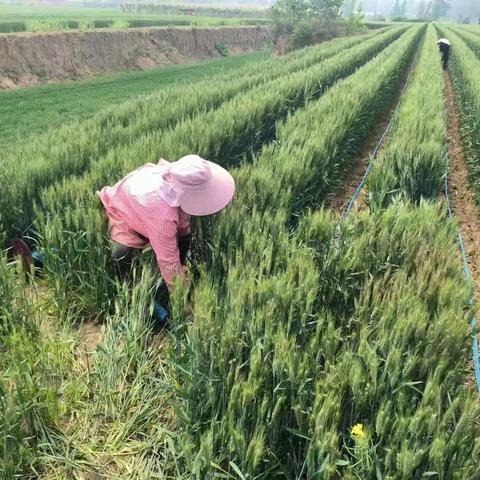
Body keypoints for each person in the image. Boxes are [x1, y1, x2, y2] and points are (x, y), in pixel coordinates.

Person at [97, 155, 235, 293]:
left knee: (184, 235)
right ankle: (127, 289)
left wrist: (179, 265)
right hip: (124, 210)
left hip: (148, 203)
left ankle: (179, 266)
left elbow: (183, 228)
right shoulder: (162, 214)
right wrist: (179, 296)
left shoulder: (179, 179)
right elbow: (167, 261)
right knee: (121, 254)